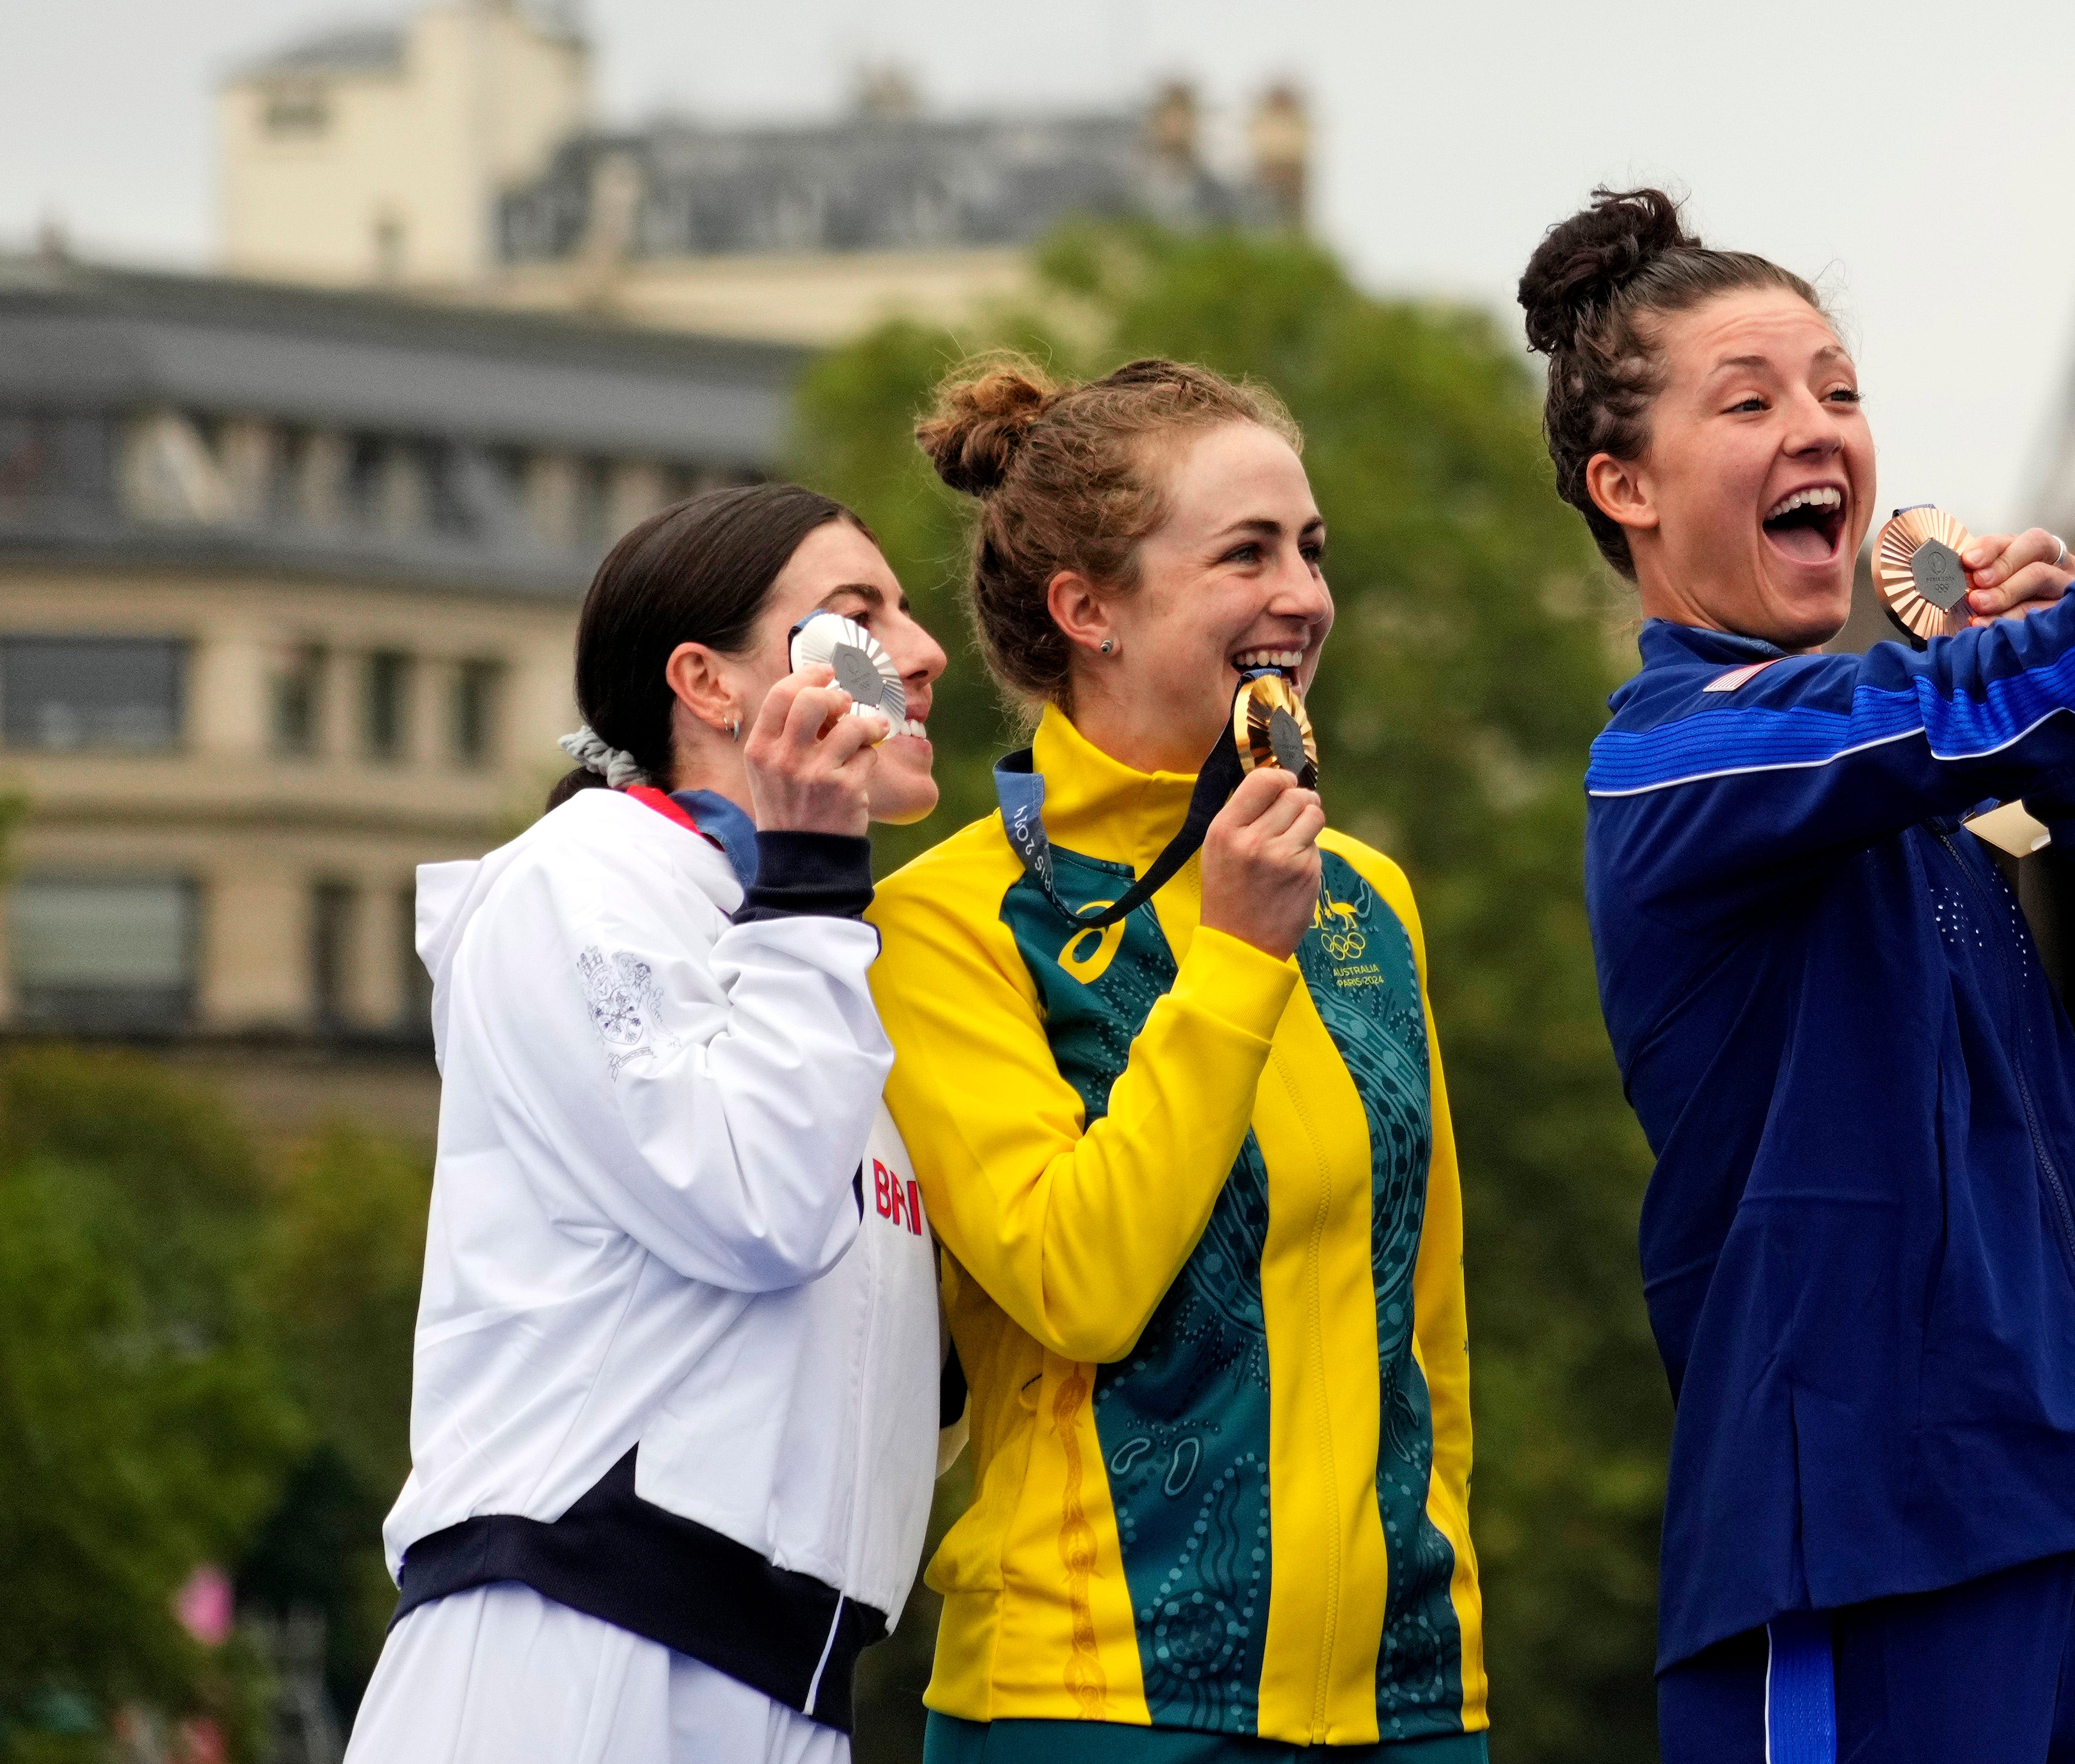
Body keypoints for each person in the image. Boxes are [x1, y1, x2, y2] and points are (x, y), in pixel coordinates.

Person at [1515, 187, 2075, 1763]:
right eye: (1752, 399)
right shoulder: (1676, 761)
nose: (1820, 427)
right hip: (1867, 1547)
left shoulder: (1928, 754)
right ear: (1625, 485)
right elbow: (1992, 706)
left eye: (1840, 390)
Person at [868, 356, 1487, 1764]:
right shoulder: (949, 921)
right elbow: (1076, 1278)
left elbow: (1428, 1330)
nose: (1305, 595)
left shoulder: (1367, 899)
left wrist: (1447, 1648)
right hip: (1093, 1704)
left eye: (1313, 551)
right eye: (1248, 553)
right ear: (1089, 609)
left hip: (1406, 1702)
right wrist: (1235, 963)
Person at [348, 483, 956, 1763]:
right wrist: (808, 890)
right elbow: (755, 1210)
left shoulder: (821, 940)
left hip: (787, 1679)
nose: (922, 651)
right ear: (709, 684)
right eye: (858, 616)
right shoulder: (579, 882)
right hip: (576, 1645)